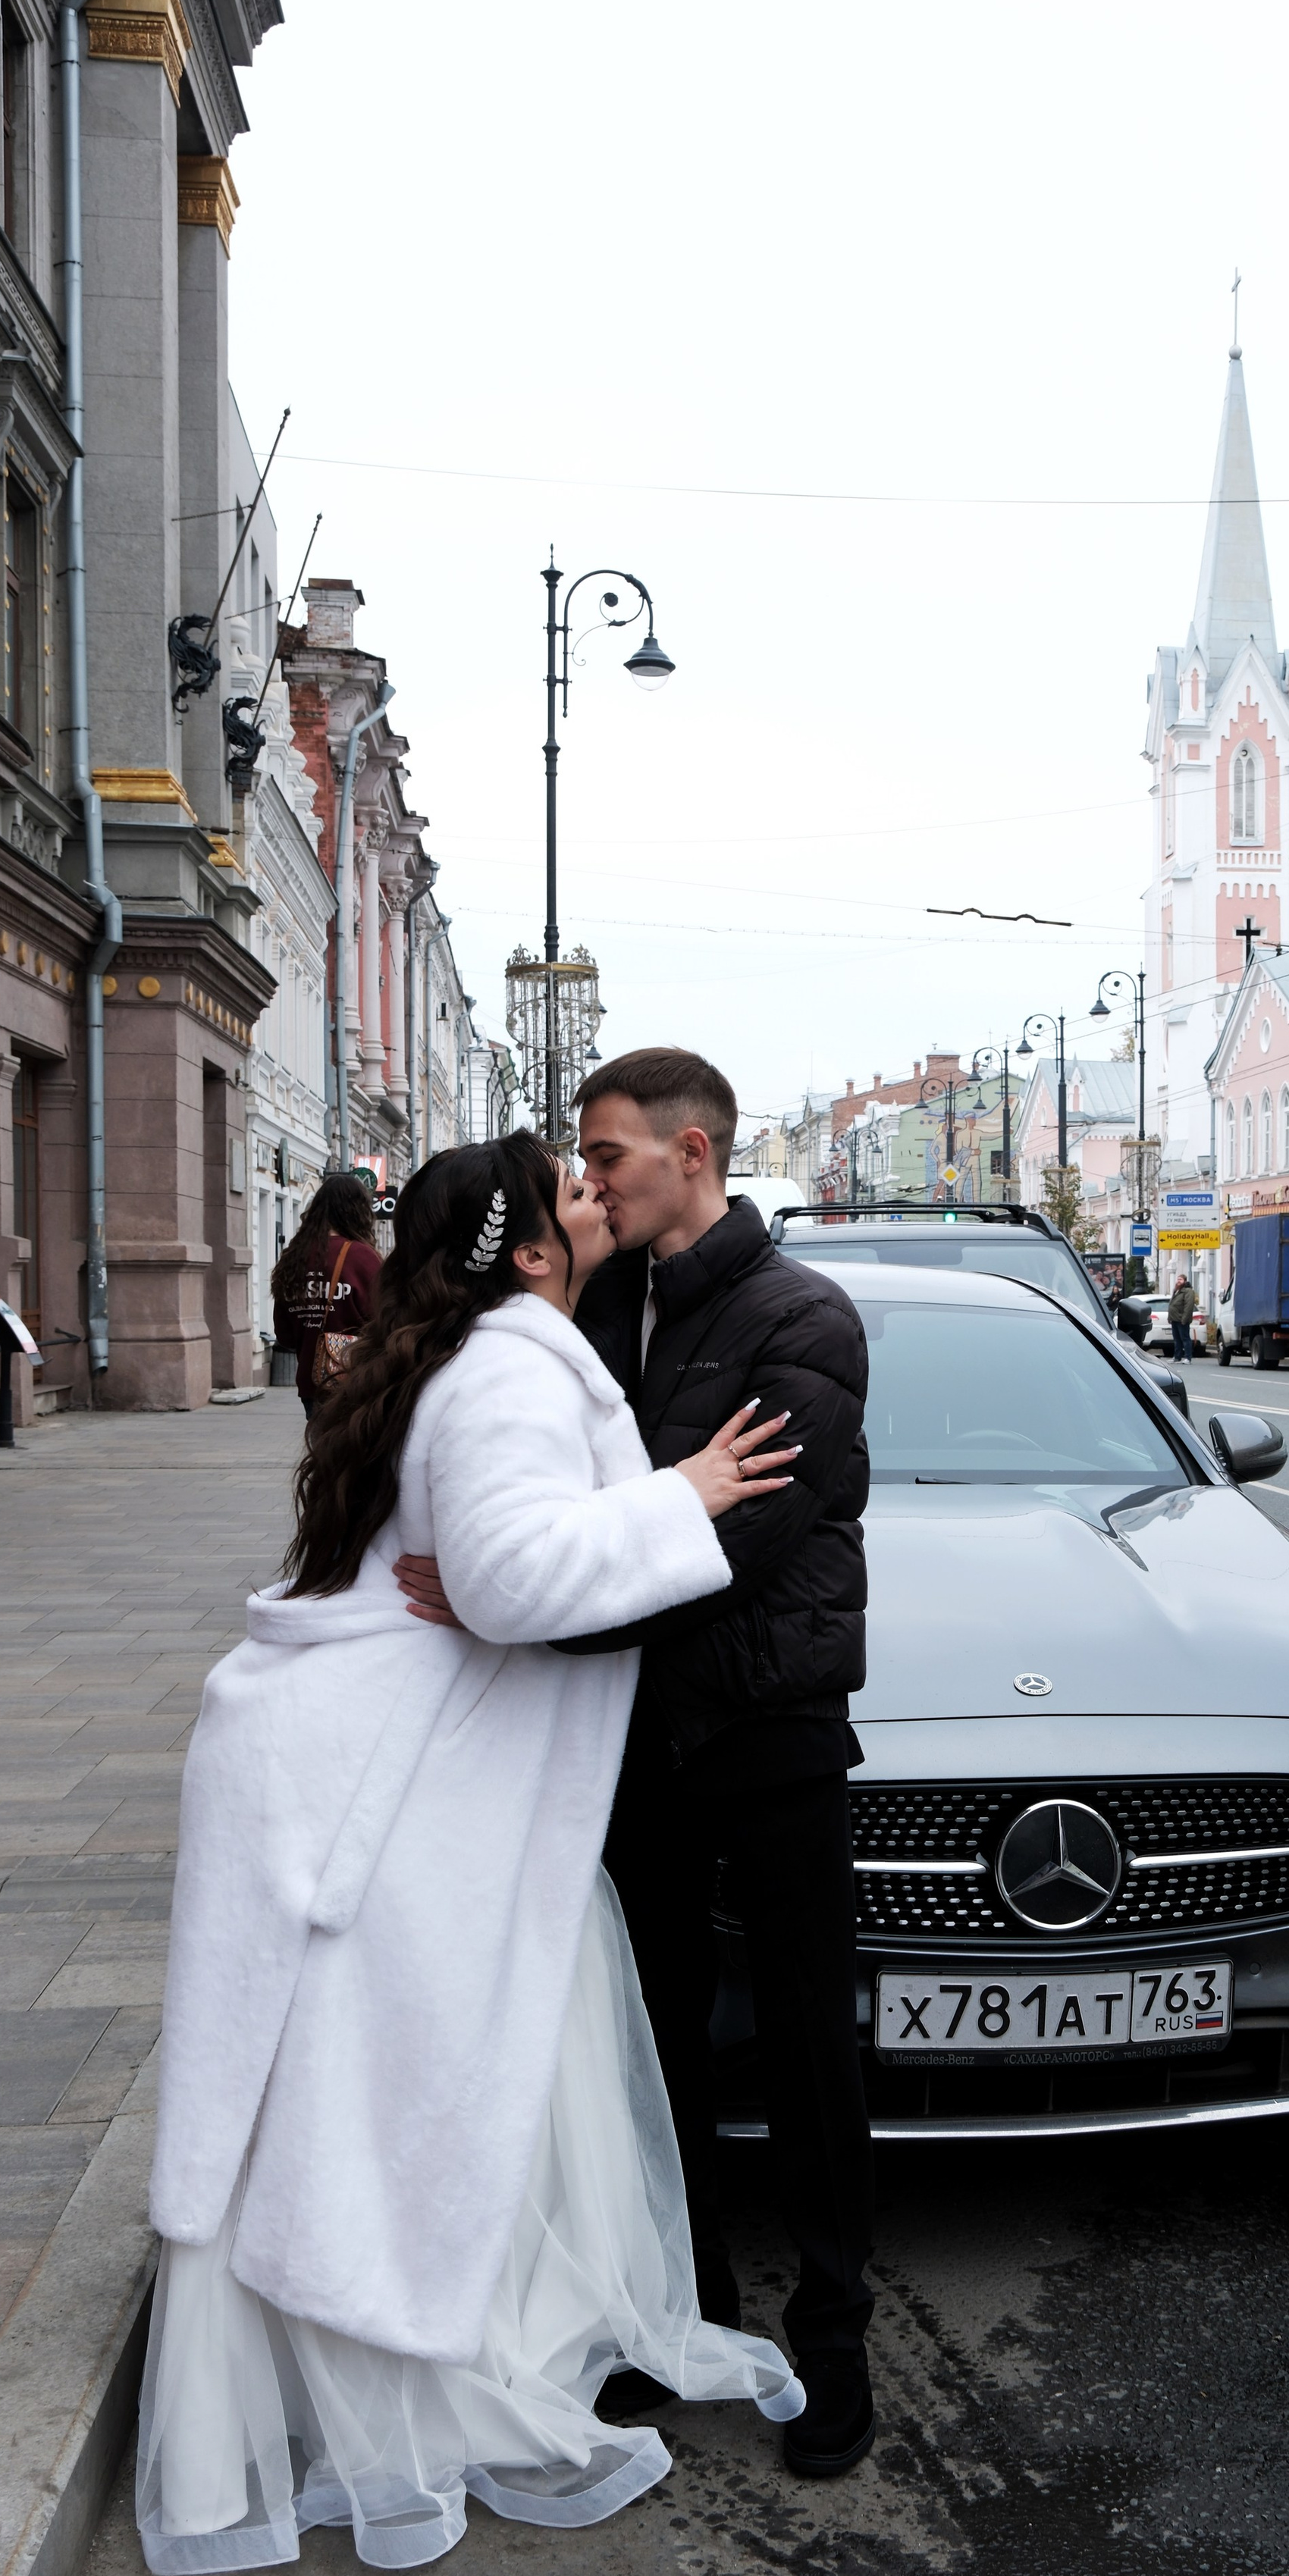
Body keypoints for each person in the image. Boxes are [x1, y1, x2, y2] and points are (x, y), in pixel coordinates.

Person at [136, 1132, 806, 2576]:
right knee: (448, 2099)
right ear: (525, 1250)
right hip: (421, 1805)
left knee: (411, 2100)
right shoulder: (511, 1362)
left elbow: (469, 1561)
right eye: (569, 1186)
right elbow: (505, 1577)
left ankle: (419, 2348)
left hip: (404, 1786)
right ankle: (429, 2384)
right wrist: (681, 1496)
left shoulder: (476, 1351)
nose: (594, 1190)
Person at [398, 1046, 874, 2478]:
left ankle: (836, 2334)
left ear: (694, 1148)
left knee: (802, 2044)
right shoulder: (595, 1304)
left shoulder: (807, 1314)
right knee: (652, 2038)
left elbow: (740, 1540)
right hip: (631, 1738)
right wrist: (507, 1565)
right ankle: (684, 2309)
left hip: (770, 1725)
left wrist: (522, 1602)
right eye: (586, 1162)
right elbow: (539, 1493)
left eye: (611, 1152)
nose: (594, 1176)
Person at [271, 1173, 383, 1414]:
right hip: (356, 1382)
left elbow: (285, 1336)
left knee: (322, 1448)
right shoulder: (363, 1258)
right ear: (358, 1211)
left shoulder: (293, 1258)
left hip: (311, 1383)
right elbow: (384, 1324)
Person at [1168, 1269, 1198, 1362]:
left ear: (1185, 1281)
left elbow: (1189, 1306)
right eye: (1178, 1279)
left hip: (1182, 1319)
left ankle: (1187, 1357)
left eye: (1180, 1280)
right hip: (1175, 1319)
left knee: (1185, 1338)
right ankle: (1177, 1357)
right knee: (1177, 1339)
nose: (1178, 1281)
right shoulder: (1177, 1291)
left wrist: (1184, 1318)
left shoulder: (1188, 1291)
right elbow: (1172, 1304)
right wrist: (1170, 1317)